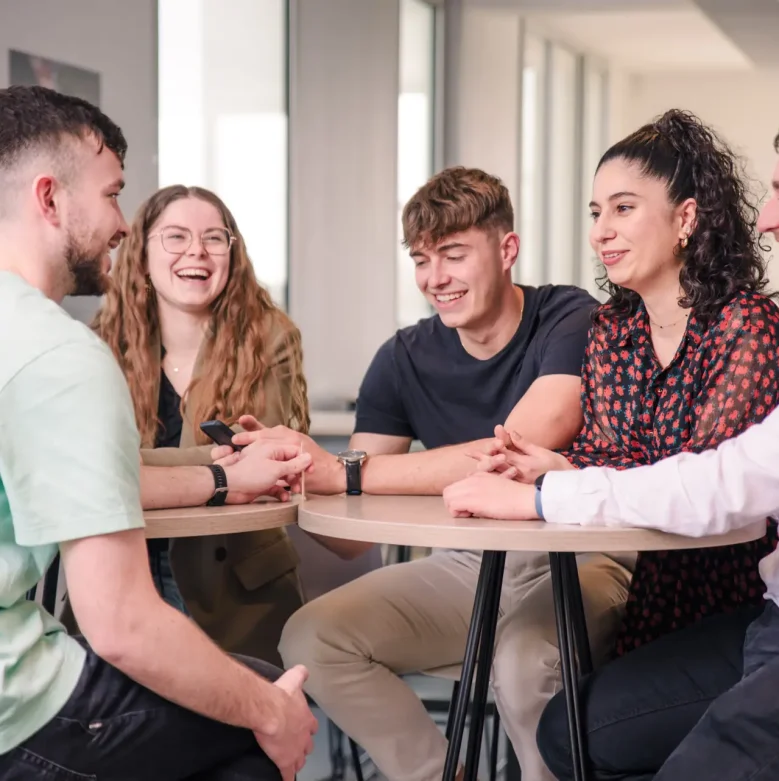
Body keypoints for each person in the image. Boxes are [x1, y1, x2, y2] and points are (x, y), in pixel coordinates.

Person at [214, 166, 633, 781]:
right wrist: (297, 474)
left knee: (521, 665)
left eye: (454, 255)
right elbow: (349, 530)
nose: (435, 279)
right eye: (421, 259)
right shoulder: (403, 356)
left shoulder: (570, 316)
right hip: (467, 561)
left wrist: (345, 473)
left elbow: (511, 450)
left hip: (578, 554)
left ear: (507, 249)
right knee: (312, 638)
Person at [0, 85, 317, 781]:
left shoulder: (266, 335)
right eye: (114, 196)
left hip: (220, 583)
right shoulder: (66, 353)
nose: (120, 221)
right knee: (256, 730)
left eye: (213, 238)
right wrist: (271, 713)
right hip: (16, 699)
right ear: (49, 200)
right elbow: (120, 623)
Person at [444, 121, 779, 780]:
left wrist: (553, 486)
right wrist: (559, 470)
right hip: (665, 586)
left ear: (685, 218)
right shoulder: (612, 329)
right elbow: (623, 459)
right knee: (566, 731)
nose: (599, 231)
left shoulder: (748, 327)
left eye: (622, 208)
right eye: (596, 212)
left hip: (718, 581)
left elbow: (707, 483)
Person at [88, 184, 308, 666]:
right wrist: (221, 463)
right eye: (176, 237)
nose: (197, 251)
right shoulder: (97, 346)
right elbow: (86, 468)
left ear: (232, 254)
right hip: (125, 578)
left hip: (238, 590)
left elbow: (266, 461)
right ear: (142, 256)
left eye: (214, 238)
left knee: (232, 734)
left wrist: (130, 465)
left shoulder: (270, 338)